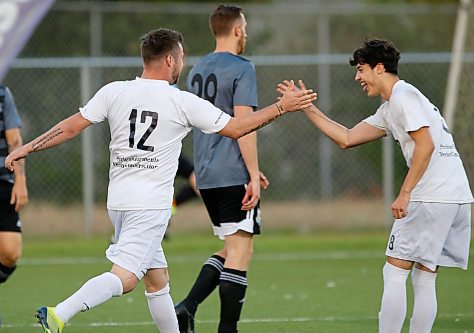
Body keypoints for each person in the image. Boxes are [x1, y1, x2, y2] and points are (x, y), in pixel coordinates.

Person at [4, 28, 316, 333]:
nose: (183, 63)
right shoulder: (180, 101)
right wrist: (281, 107)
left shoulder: (115, 91)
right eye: (181, 57)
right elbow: (236, 128)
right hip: (150, 207)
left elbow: (70, 127)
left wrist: (27, 148)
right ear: (169, 60)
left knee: (157, 281)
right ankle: (60, 314)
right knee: (125, 279)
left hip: (120, 203)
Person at [279, 38, 473, 333]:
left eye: (361, 70)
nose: (358, 77)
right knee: (424, 276)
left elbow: (425, 144)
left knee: (394, 272)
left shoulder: (402, 97)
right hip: (455, 195)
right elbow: (346, 137)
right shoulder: (393, 105)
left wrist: (404, 194)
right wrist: (307, 107)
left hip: (430, 197)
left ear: (379, 68)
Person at [174, 5, 269, 333]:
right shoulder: (243, 67)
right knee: (240, 252)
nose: (246, 33)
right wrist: (252, 173)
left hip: (208, 173)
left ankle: (187, 307)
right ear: (237, 30)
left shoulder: (196, 70)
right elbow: (243, 125)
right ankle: (227, 329)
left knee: (232, 247)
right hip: (232, 173)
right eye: (245, 27)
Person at [0, 85, 28, 326]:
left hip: (2, 180)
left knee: (10, 252)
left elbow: (14, 139)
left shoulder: (2, 92)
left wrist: (20, 180)